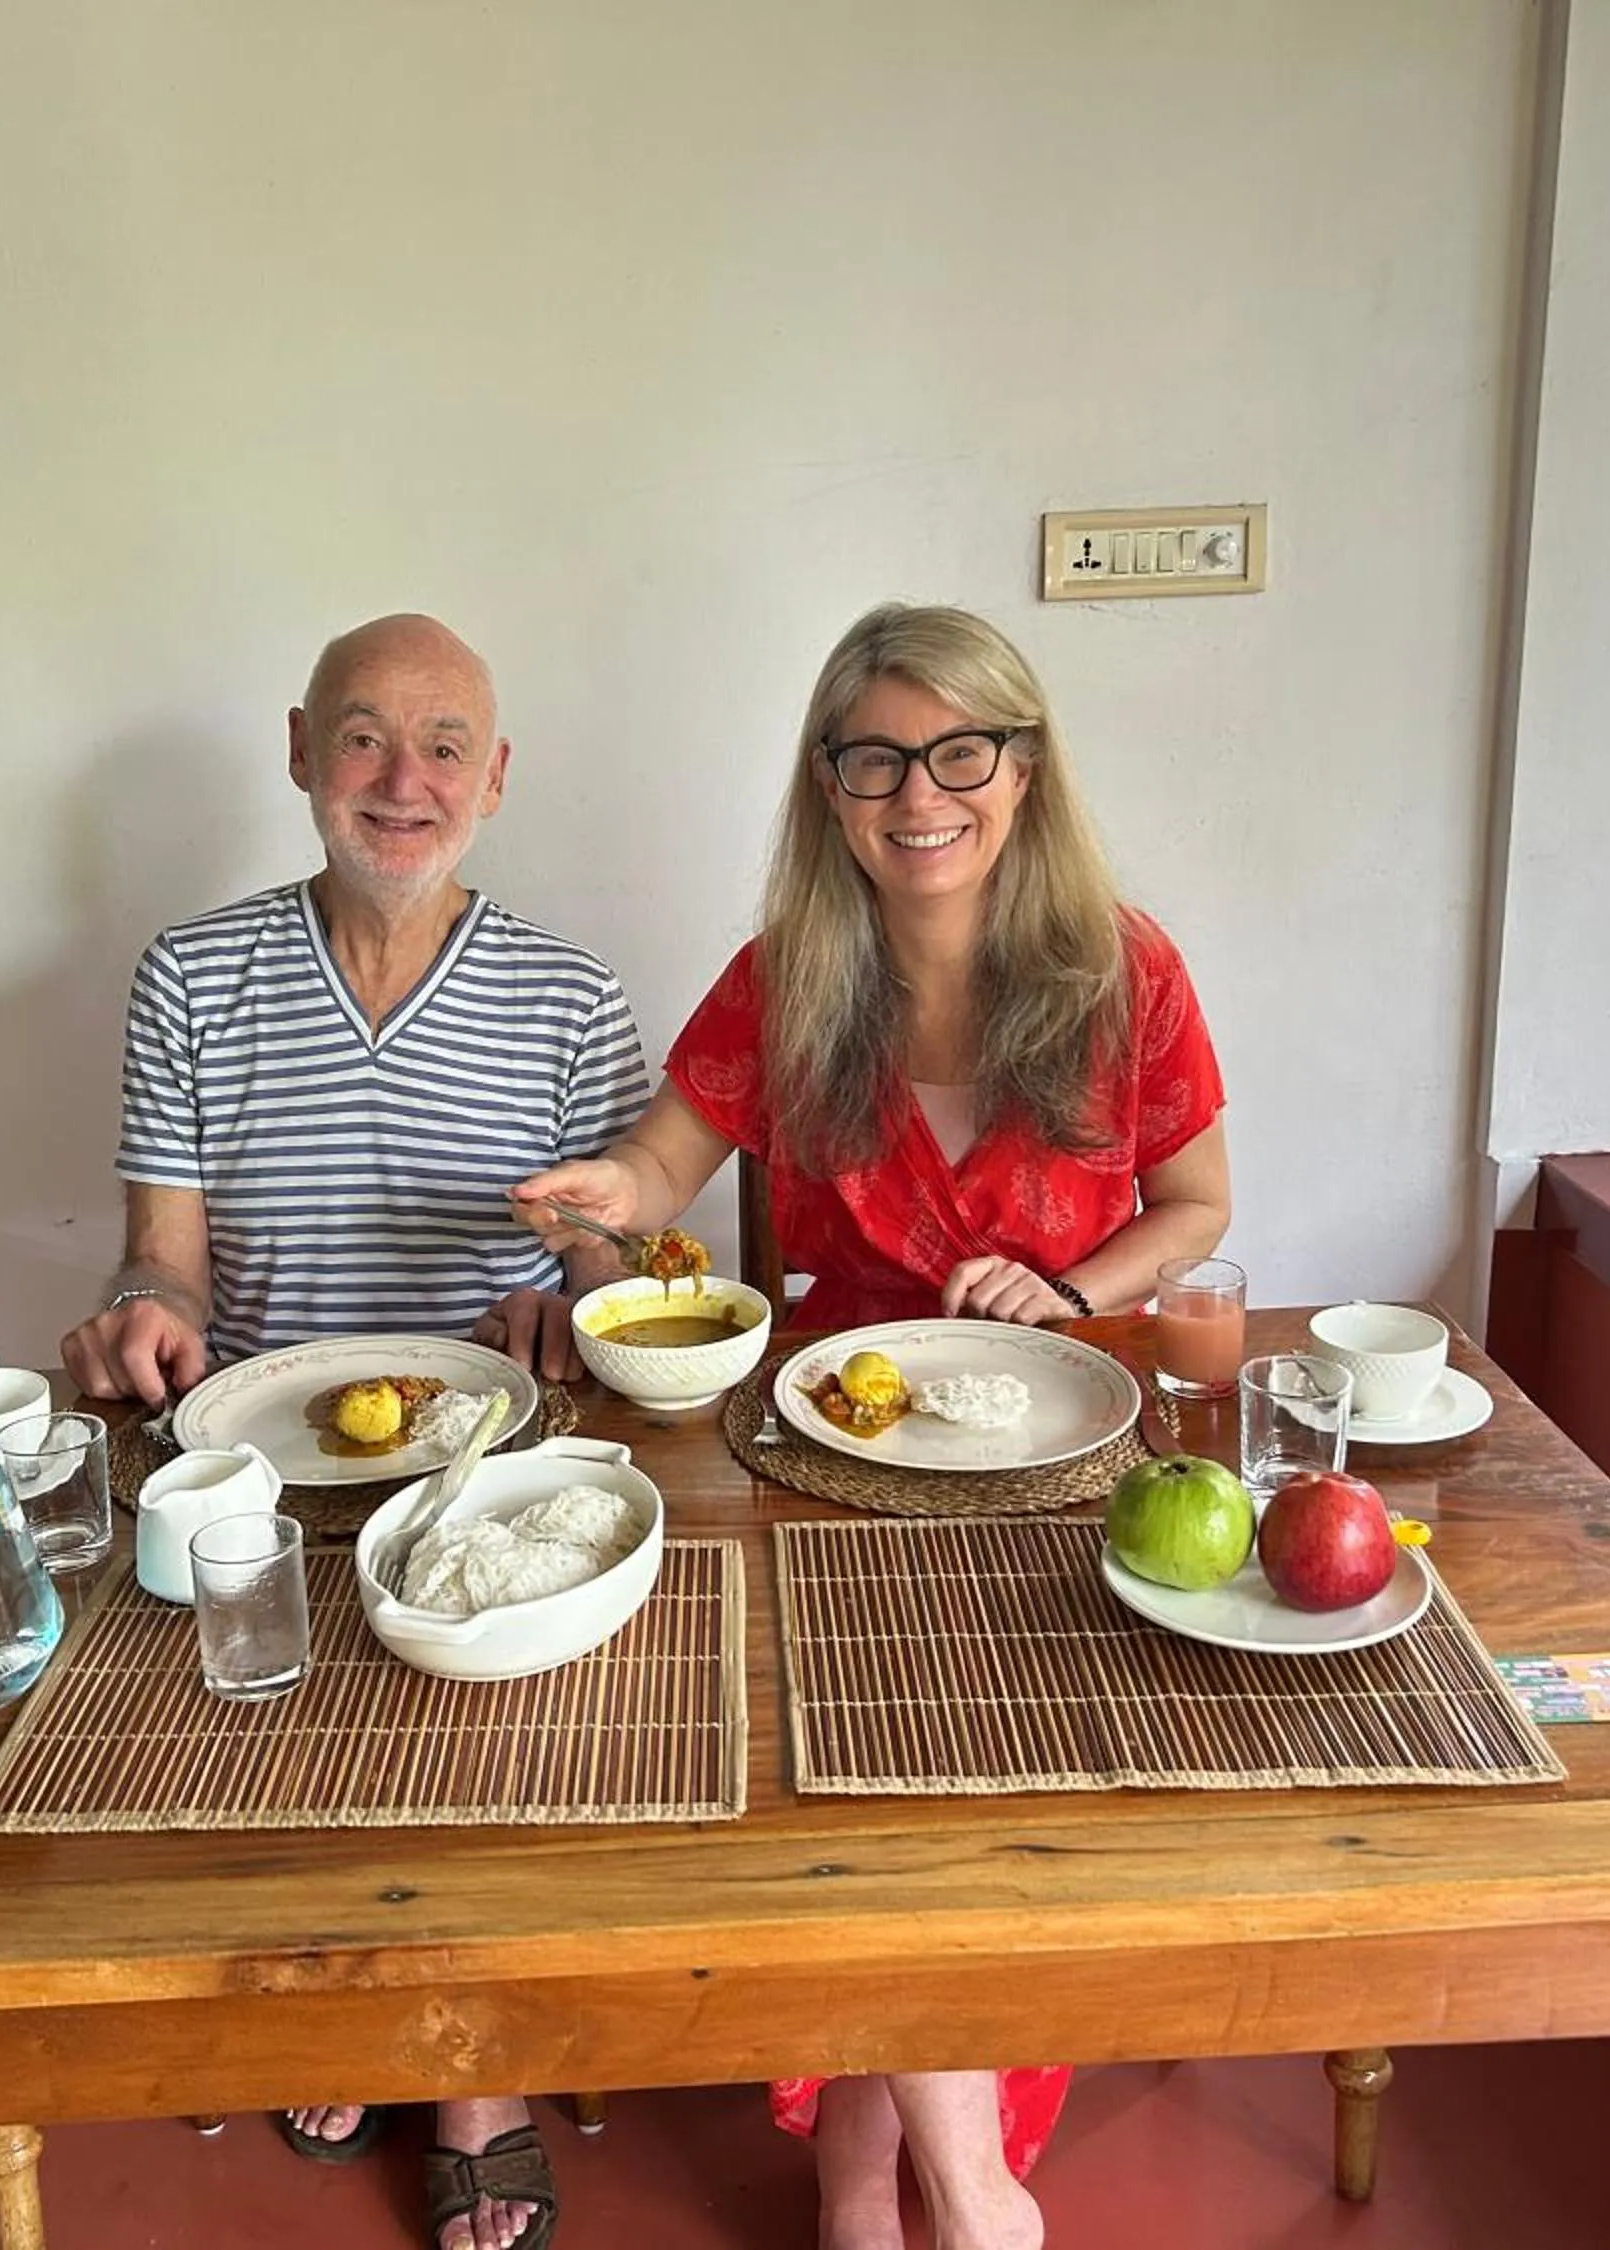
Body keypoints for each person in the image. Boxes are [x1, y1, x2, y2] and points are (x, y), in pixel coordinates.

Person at [513, 601, 1232, 2250]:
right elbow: (660, 1167)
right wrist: (602, 1193)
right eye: (875, 759)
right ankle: (961, 2196)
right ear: (828, 788)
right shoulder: (787, 977)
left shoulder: (1128, 972)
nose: (920, 794)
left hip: (1056, 1451)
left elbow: (1197, 1205)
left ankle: (871, 2183)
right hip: (828, 1457)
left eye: (959, 752)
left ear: (1024, 768)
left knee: (967, 1799)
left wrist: (1069, 1286)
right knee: (878, 1783)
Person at [64, 612, 643, 2250]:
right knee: (263, 1708)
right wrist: (144, 1311)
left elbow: (617, 1266)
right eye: (367, 736)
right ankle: (337, 1997)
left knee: (486, 1713)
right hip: (262, 1449)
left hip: (489, 1459)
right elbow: (161, 1254)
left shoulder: (572, 994)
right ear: (302, 751)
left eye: (446, 743)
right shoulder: (190, 975)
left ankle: (474, 2077)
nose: (405, 778)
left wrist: (574, 1299)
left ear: (496, 776)